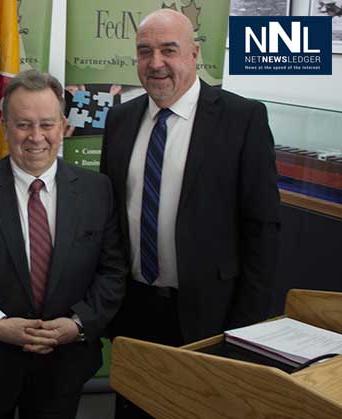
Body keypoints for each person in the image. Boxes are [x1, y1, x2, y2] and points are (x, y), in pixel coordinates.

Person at [100, 9, 281, 418]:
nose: (156, 62)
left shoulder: (242, 118)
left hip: (209, 317)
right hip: (133, 311)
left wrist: (245, 328)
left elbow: (262, 229)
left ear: (195, 53)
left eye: (169, 50)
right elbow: (109, 219)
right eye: (145, 51)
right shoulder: (120, 118)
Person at [0, 69, 127, 419]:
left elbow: (112, 271)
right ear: (5, 125)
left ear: (63, 126)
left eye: (47, 124)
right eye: (23, 124)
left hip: (64, 363)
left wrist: (78, 324)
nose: (36, 137)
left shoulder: (97, 191)